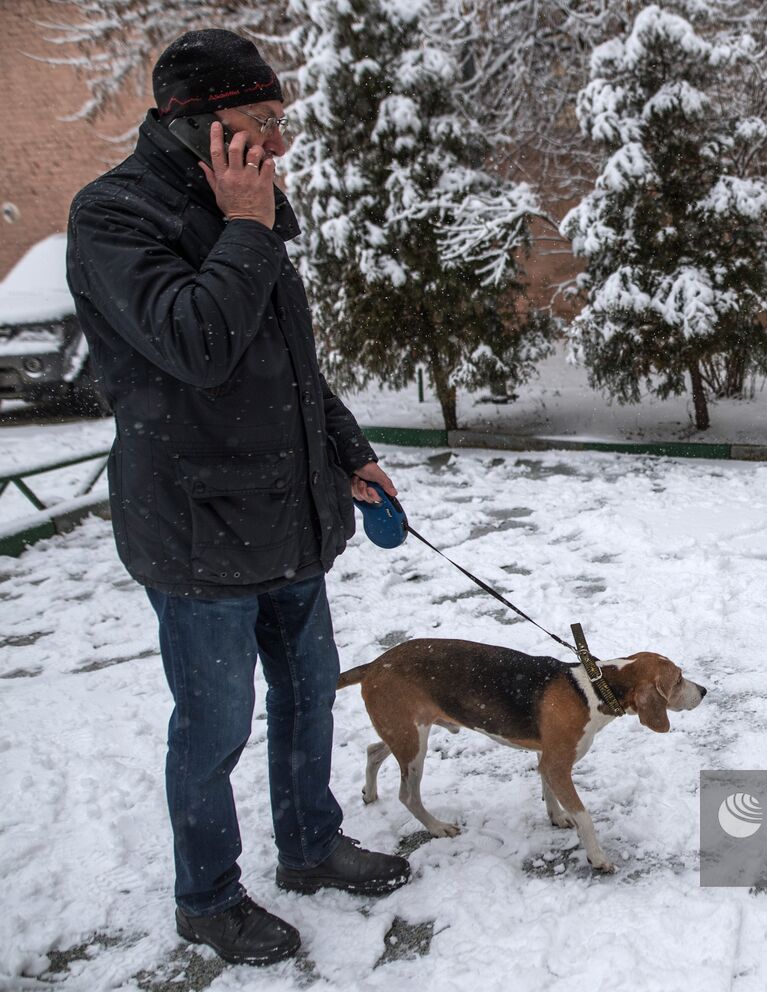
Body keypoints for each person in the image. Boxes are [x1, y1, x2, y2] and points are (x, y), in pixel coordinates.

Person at [66, 29, 409, 966]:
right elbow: (199, 345)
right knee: (214, 729)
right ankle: (208, 898)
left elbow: (288, 364)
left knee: (308, 698)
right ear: (201, 123)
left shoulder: (243, 205)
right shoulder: (114, 215)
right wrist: (248, 226)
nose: (281, 141)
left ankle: (310, 846)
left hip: (290, 517)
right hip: (196, 532)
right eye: (263, 120)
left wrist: (348, 453)